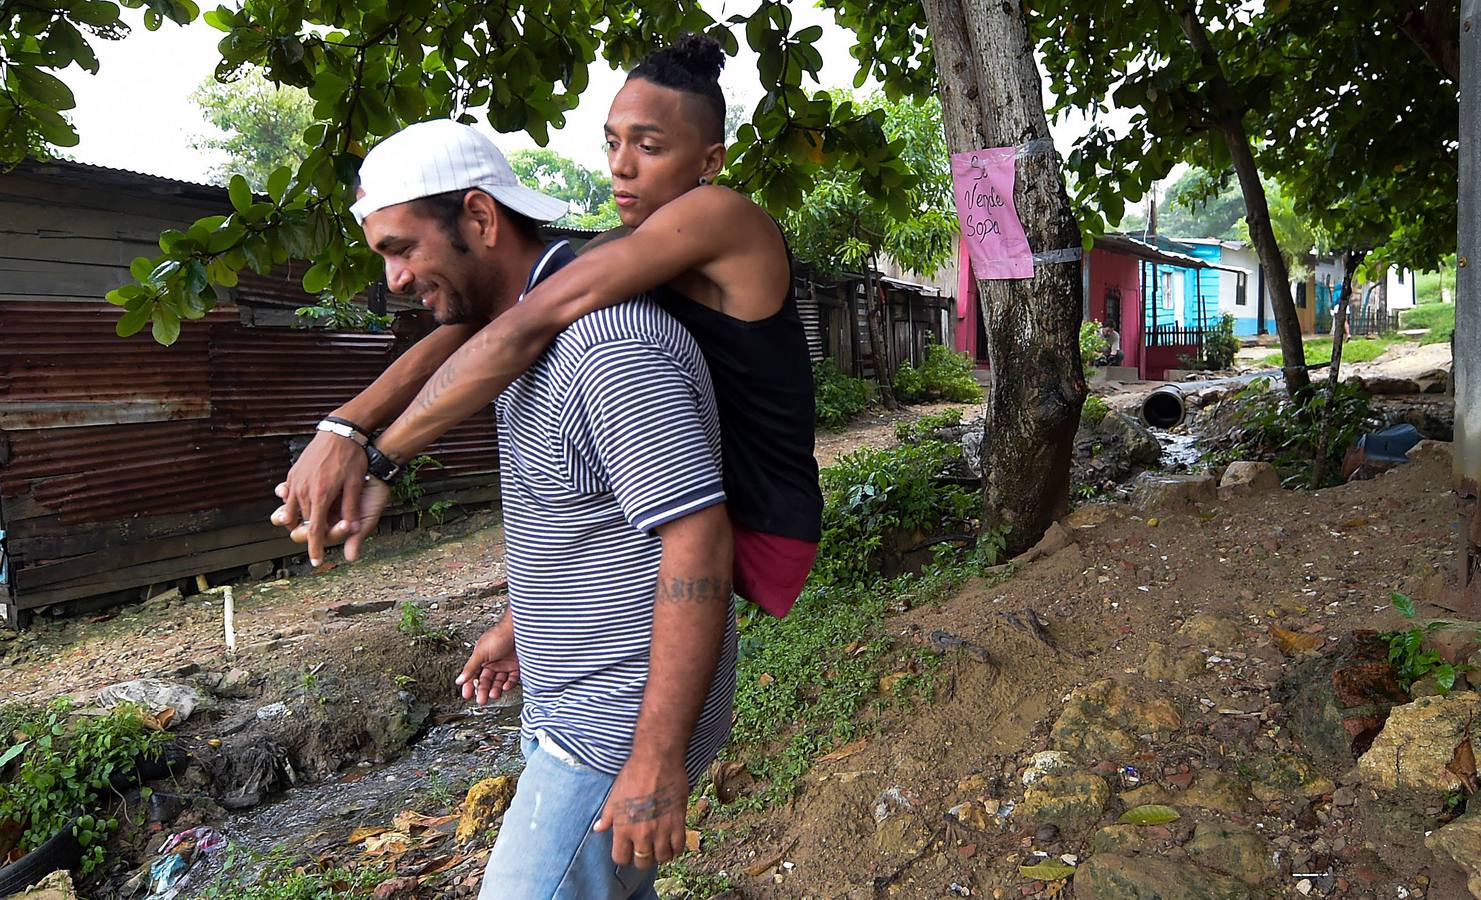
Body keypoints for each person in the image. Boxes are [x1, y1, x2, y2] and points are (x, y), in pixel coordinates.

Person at [274, 35, 821, 618]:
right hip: (722, 506)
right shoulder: (631, 246)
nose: (620, 165)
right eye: (612, 142)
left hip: (766, 522)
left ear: (710, 162)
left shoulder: (722, 215)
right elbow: (484, 323)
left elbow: (525, 322)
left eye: (649, 146)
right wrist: (343, 428)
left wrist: (380, 458)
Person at [346, 119, 736, 898]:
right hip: (575, 702)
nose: (392, 279)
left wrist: (655, 758)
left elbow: (696, 541)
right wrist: (525, 624)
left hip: (613, 722)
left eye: (400, 247)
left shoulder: (605, 346)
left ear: (479, 218)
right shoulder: (521, 347)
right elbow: (594, 520)